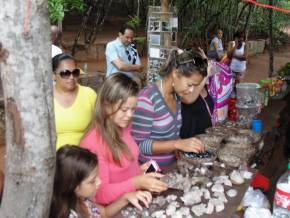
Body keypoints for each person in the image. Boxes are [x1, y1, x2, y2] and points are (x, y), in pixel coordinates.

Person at [80, 73, 168, 205]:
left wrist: (138, 170)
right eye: (124, 109)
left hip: (132, 200)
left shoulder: (123, 126)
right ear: (106, 105)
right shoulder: (93, 143)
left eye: (133, 109)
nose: (129, 115)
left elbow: (121, 168)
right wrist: (137, 181)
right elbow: (98, 194)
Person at [131, 49, 208, 169]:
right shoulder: (147, 99)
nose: (192, 91)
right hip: (150, 174)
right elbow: (138, 145)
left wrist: (182, 144)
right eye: (190, 84)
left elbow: (171, 134)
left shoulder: (176, 95)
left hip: (171, 169)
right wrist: (177, 144)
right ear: (175, 73)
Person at [50, 145, 152, 218]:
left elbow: (103, 213)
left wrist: (125, 198)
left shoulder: (82, 199)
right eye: (92, 181)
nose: (99, 182)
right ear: (73, 186)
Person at [53, 53, 97, 149]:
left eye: (75, 72)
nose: (72, 77)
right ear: (54, 76)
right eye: (65, 73)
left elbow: (100, 126)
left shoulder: (89, 94)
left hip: (85, 158)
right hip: (54, 159)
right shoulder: (46, 99)